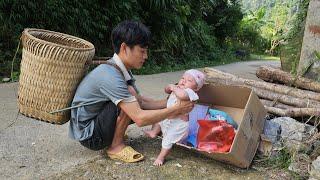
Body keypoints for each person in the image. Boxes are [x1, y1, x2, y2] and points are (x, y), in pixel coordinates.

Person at [68, 20, 194, 163]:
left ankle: (114, 136)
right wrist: (176, 110)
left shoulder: (119, 69)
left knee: (133, 97)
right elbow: (140, 117)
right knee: (130, 96)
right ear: (124, 48)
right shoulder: (111, 75)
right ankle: (115, 147)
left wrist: (171, 102)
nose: (145, 56)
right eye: (142, 51)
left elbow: (141, 102)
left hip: (95, 125)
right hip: (90, 137)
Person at [144, 69, 206, 166]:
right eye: (183, 78)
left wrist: (174, 88)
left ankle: (161, 157)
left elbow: (182, 95)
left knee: (168, 140)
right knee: (158, 119)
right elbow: (166, 91)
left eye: (189, 80)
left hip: (178, 123)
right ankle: (154, 132)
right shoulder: (178, 87)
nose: (184, 81)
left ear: (197, 88)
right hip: (168, 116)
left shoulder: (191, 93)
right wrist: (169, 87)